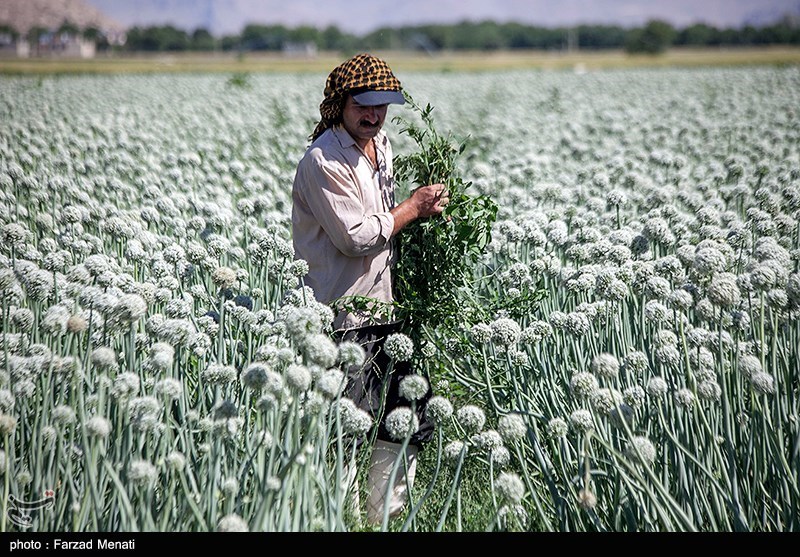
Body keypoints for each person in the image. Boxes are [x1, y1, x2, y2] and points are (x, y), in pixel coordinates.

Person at [291, 53, 448, 525]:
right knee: (345, 431)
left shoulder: (382, 146)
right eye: (365, 104)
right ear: (341, 102)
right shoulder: (323, 160)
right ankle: (341, 520)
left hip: (389, 313)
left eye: (382, 106)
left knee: (402, 422)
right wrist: (412, 209)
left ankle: (388, 521)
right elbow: (355, 236)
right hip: (344, 319)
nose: (374, 114)